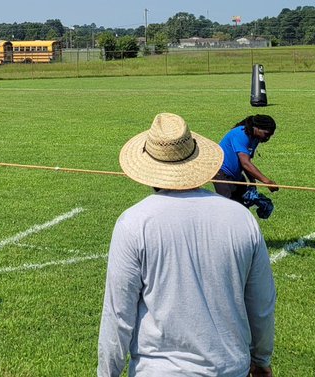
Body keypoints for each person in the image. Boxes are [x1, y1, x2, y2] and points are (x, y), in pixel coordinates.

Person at [99, 113, 275, 377]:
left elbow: (117, 315)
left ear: (148, 167)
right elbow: (261, 304)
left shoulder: (133, 222)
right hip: (229, 368)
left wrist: (106, 373)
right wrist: (261, 360)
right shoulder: (241, 219)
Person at [213, 115, 278, 203]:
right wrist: (267, 182)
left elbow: (247, 163)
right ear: (257, 128)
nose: (267, 138)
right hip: (221, 173)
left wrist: (252, 182)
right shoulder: (241, 134)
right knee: (227, 206)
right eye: (266, 134)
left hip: (236, 176)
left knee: (242, 207)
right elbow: (245, 163)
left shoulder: (254, 138)